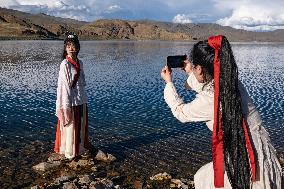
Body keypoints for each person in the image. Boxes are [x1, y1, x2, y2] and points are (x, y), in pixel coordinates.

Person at [161, 35, 281, 189]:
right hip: (261, 153)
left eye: (196, 67)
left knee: (201, 178)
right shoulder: (231, 80)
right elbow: (207, 85)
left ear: (200, 69)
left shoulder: (212, 99)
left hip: (244, 158)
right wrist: (191, 71)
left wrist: (169, 83)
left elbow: (181, 112)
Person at [54, 34, 89, 159]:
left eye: (73, 46)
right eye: (68, 46)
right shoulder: (65, 64)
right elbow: (64, 87)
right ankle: (70, 152)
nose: (71, 48)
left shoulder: (80, 63)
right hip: (70, 100)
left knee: (80, 125)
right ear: (65, 48)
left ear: (78, 48)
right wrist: (66, 106)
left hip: (81, 98)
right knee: (71, 125)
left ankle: (79, 148)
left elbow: (82, 82)